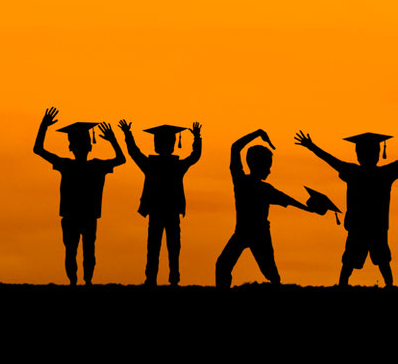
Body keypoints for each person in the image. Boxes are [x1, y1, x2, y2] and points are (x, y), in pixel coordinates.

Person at [294, 128, 398, 287]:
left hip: (360, 227)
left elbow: (330, 160)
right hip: (376, 226)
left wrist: (311, 146)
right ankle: (388, 287)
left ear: (358, 155)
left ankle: (344, 287)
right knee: (380, 264)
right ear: (377, 155)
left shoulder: (353, 172)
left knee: (351, 264)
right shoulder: (384, 173)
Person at [215, 128, 323, 288]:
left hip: (250, 233)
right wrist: (309, 209)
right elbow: (289, 200)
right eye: (267, 166)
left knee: (227, 266)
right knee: (265, 271)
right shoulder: (262, 188)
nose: (270, 170)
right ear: (259, 165)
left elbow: (235, 147)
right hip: (254, 233)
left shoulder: (241, 182)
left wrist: (258, 133)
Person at [33, 107, 125, 285]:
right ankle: (85, 281)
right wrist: (113, 140)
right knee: (86, 250)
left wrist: (43, 126)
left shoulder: (66, 165)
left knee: (72, 250)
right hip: (85, 215)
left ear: (70, 147)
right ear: (90, 146)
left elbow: (38, 149)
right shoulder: (96, 166)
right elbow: (121, 159)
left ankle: (75, 282)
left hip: (74, 215)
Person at [118, 119, 202, 286]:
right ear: (172, 145)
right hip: (170, 211)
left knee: (154, 247)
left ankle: (152, 278)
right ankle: (173, 277)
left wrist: (128, 134)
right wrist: (197, 138)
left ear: (156, 145)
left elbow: (134, 152)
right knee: (172, 247)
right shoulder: (177, 165)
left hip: (157, 211)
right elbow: (195, 156)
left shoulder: (150, 165)